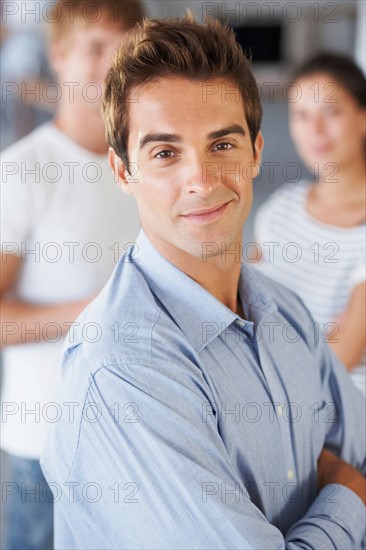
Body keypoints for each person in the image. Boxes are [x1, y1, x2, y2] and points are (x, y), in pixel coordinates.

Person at [41, 15, 366, 550]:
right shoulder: (122, 370)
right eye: (165, 153)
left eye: (222, 145)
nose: (201, 179)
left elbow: (357, 444)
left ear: (256, 152)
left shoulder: (285, 311)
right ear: (124, 172)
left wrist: (342, 477)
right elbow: (355, 472)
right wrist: (347, 492)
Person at [0, 1, 143, 548]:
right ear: (57, 55)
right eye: (95, 47)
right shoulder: (22, 172)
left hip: (137, 446)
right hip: (46, 453)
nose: (112, 64)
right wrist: (98, 310)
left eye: (124, 48)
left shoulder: (147, 166)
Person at [253, 53, 365, 397]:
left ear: (362, 119)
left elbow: (340, 358)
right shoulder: (279, 210)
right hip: (278, 405)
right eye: (301, 115)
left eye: (330, 112)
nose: (314, 130)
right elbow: (243, 314)